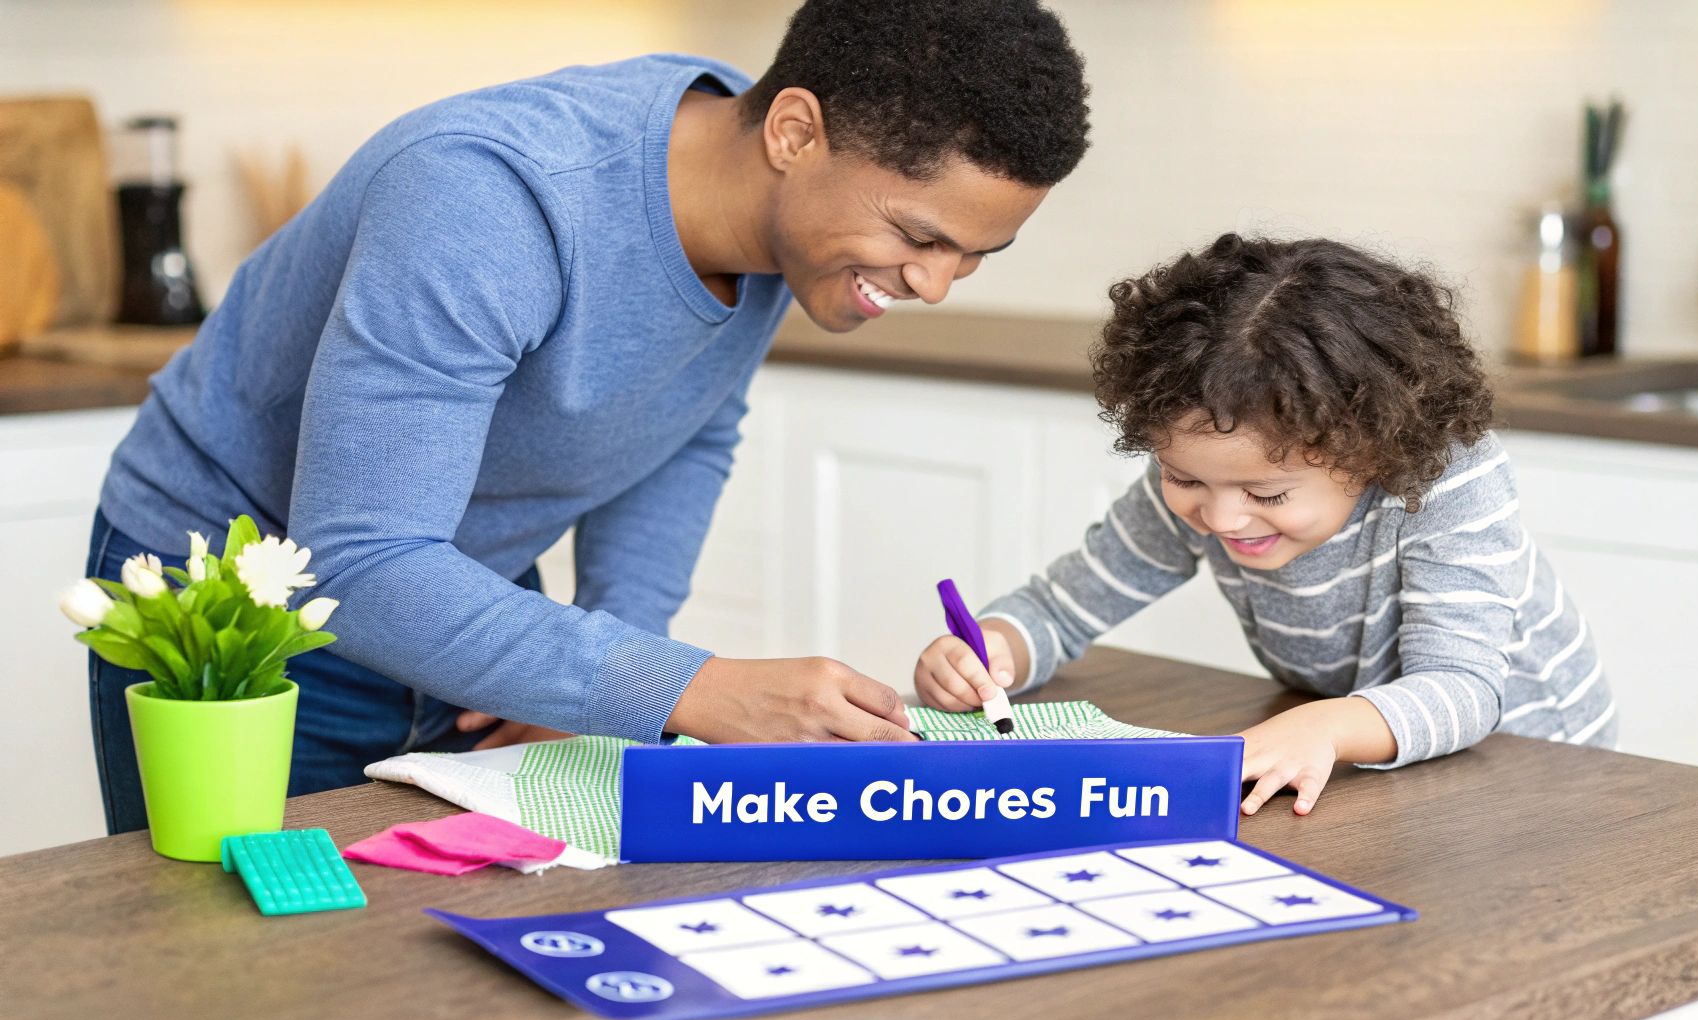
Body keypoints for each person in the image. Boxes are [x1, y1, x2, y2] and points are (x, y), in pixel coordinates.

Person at [86, 0, 1092, 834]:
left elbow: (686, 429)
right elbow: (361, 562)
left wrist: (607, 669)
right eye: (919, 236)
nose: (933, 284)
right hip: (239, 604)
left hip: (463, 596)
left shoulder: (782, 220)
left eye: (973, 255)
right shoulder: (489, 197)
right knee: (246, 964)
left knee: (449, 957)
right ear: (793, 133)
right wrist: (686, 688)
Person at [912, 233, 1616, 816]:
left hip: (1533, 762)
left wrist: (1324, 727)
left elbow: (1464, 690)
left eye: (1268, 493)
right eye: (1184, 479)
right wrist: (996, 649)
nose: (1220, 516)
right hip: (1355, 744)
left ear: (1369, 451)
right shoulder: (1207, 474)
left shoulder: (1447, 482)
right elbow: (1060, 607)